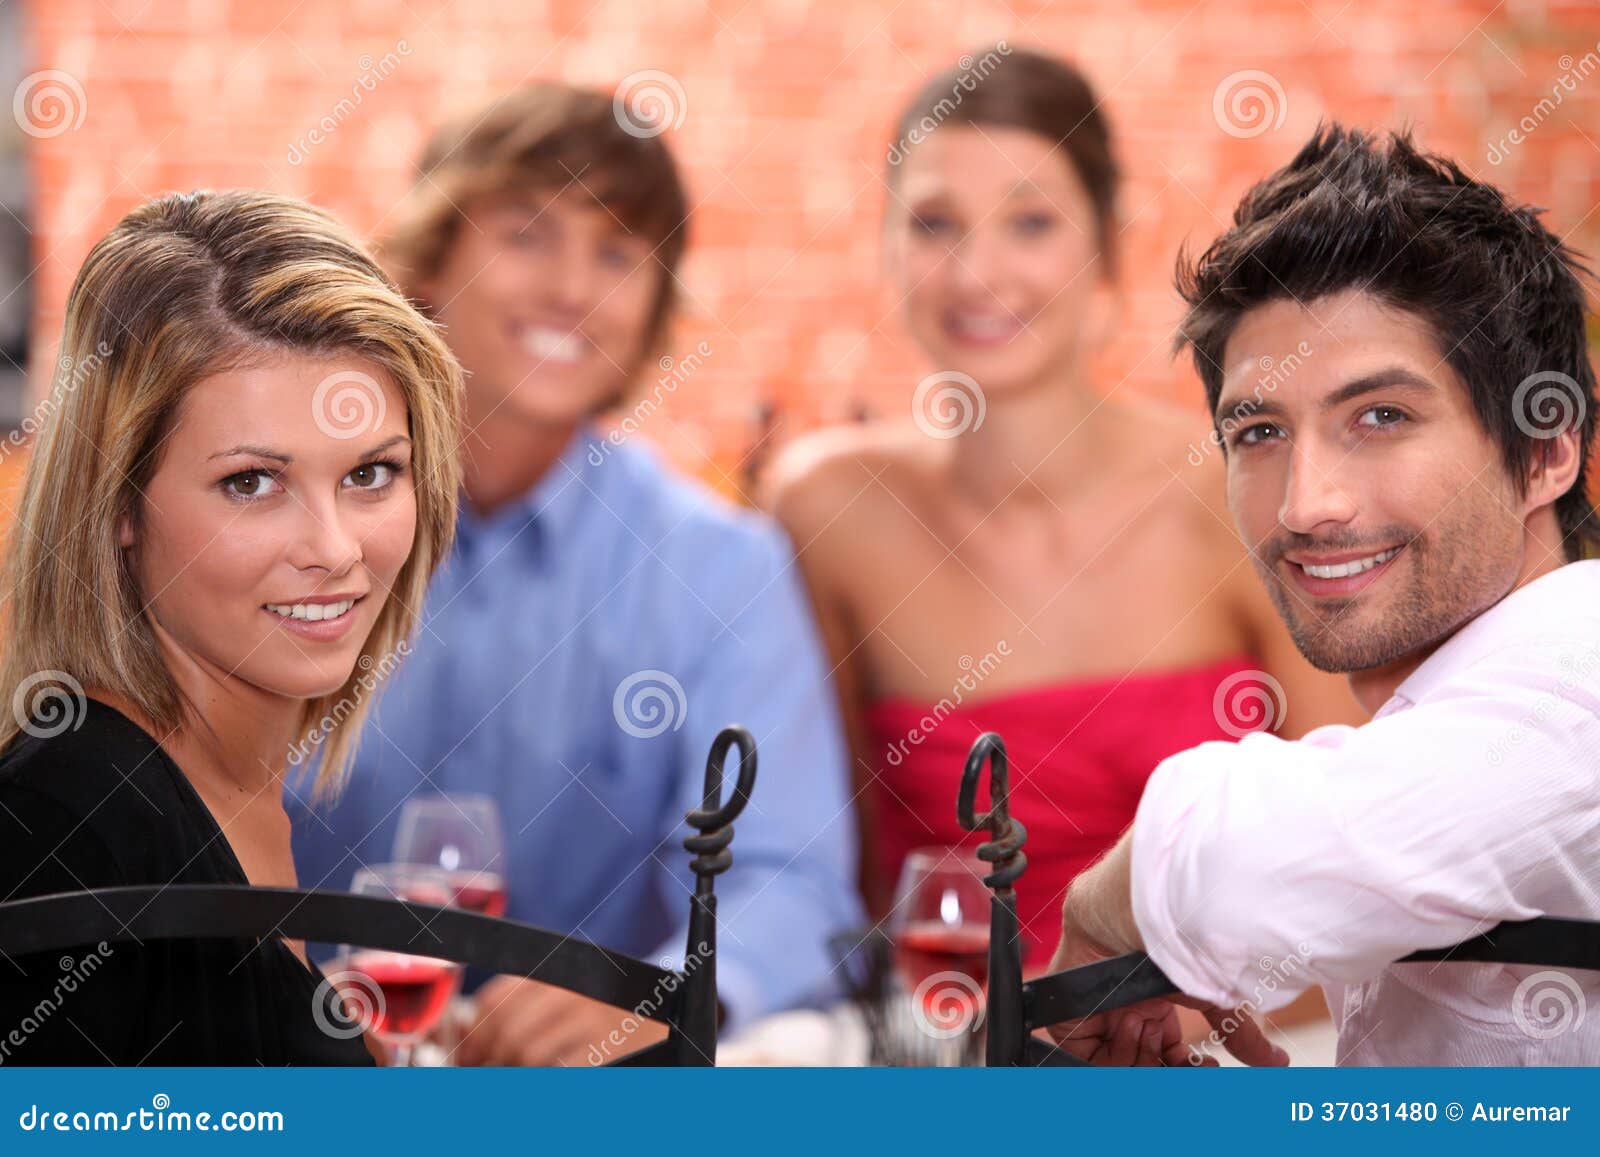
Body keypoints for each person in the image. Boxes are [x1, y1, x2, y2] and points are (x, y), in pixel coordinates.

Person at [288, 83, 862, 1065]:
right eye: (526, 232)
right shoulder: (294, 522)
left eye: (615, 252)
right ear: (430, 262)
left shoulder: (720, 567)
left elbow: (791, 880)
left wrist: (670, 992)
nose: (571, 287)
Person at [764, 46, 1363, 964]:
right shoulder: (830, 509)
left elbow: (1352, 864)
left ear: (1105, 242)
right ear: (886, 246)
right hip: (955, 1064)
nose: (977, 271)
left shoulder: (1239, 489)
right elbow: (827, 870)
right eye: (934, 223)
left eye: (1031, 222)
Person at [1049, 123, 1600, 1066]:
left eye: (1380, 417)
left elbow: (1240, 871)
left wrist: (1099, 906)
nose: (1307, 506)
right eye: (1259, 432)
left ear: (1548, 448)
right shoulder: (1441, 725)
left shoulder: (1580, 663)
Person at [0, 189, 463, 1065]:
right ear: (119, 503)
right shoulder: (63, 829)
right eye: (252, 482)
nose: (333, 548)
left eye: (371, 472)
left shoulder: (223, 791)